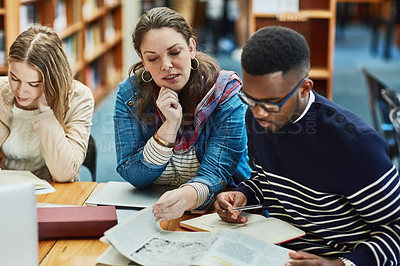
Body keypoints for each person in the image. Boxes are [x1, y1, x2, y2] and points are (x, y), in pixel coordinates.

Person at [214, 26, 400, 265]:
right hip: (280, 251)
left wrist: (340, 264)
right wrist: (243, 194)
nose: (258, 112)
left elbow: (394, 229)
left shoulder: (356, 146)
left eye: (271, 102)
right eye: (249, 98)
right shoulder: (259, 117)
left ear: (305, 89)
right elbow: (268, 181)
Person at [114, 7, 250, 222]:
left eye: (175, 52)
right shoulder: (129, 94)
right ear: (142, 60)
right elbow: (133, 174)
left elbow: (217, 172)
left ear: (191, 48)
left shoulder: (224, 92)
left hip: (216, 210)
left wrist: (184, 197)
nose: (166, 65)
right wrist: (168, 128)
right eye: (153, 58)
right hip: (155, 210)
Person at [0, 25, 95, 182]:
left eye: (34, 84)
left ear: (53, 79)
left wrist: (45, 111)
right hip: (7, 188)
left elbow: (64, 173)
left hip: (55, 191)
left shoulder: (79, 97)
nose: (20, 91)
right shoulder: (2, 92)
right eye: (14, 78)